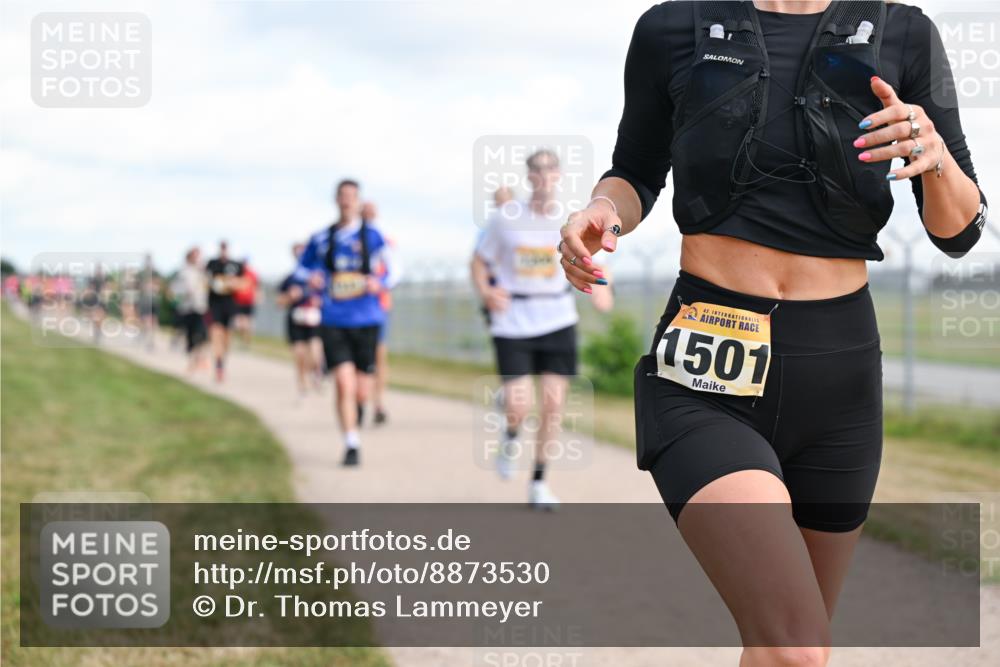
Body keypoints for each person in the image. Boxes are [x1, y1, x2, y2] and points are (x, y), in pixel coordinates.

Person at [558, 1, 988, 663]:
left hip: (839, 378)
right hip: (705, 370)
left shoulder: (904, 31)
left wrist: (932, 154)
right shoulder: (673, 27)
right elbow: (636, 172)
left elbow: (959, 230)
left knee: (788, 645)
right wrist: (601, 208)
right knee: (796, 645)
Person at [472, 148, 613, 510]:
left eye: (551, 170)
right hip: (513, 320)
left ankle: (538, 483)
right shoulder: (507, 218)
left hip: (557, 317)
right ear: (529, 176)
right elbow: (479, 260)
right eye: (537, 171)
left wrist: (602, 289)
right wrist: (487, 291)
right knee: (518, 405)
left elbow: (593, 258)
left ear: (559, 176)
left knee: (553, 404)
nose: (544, 177)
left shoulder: (568, 220)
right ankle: (510, 434)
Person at [294, 179, 396, 466]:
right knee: (342, 383)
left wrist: (381, 283)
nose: (347, 200)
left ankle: (360, 407)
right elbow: (301, 269)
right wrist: (310, 278)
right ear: (336, 200)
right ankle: (351, 442)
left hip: (366, 318)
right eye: (343, 196)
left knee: (362, 388)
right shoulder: (322, 238)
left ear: (359, 200)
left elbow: (395, 268)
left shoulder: (374, 236)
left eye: (352, 196)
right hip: (334, 319)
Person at [360, 201, 399, 425]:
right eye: (364, 212)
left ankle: (378, 403)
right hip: (354, 310)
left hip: (378, 307)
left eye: (371, 212)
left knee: (379, 357)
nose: (368, 216)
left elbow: (393, 271)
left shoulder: (383, 240)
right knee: (361, 359)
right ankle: (361, 399)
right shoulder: (349, 239)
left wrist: (380, 284)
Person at [277, 243, 324, 399]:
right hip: (296, 320)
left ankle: (316, 373)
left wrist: (320, 301)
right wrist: (289, 297)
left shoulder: (320, 277)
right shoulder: (290, 278)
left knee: (316, 354)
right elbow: (279, 302)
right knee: (299, 355)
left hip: (315, 320)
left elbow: (330, 298)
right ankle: (302, 383)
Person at [205, 241, 246, 382]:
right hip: (215, 305)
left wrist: (233, 284)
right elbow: (205, 280)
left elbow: (244, 283)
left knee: (227, 338)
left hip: (230, 305)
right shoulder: (212, 263)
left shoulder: (236, 265)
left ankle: (222, 361)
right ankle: (218, 365)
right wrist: (216, 283)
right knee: (216, 334)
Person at [172, 247, 210, 373]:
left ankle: (198, 359)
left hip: (200, 307)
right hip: (187, 308)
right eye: (194, 256)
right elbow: (175, 289)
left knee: (201, 334)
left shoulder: (203, 272)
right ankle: (192, 360)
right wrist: (184, 293)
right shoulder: (183, 272)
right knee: (190, 336)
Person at [233, 258, 259, 347]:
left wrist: (257, 296)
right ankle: (243, 339)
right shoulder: (238, 273)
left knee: (247, 324)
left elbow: (256, 286)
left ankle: (247, 341)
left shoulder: (252, 274)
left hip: (248, 302)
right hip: (238, 302)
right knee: (238, 324)